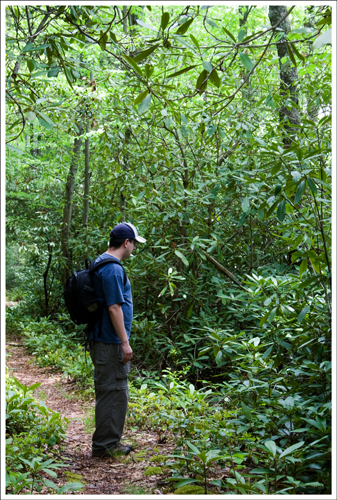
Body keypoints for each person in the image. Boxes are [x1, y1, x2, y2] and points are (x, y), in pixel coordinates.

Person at [89, 222, 146, 457]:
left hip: (101, 339)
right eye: (134, 243)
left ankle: (105, 442)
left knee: (108, 390)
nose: (134, 248)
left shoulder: (99, 262)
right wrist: (125, 342)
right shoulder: (113, 269)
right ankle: (106, 446)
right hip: (111, 342)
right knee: (115, 391)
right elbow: (114, 307)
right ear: (126, 242)